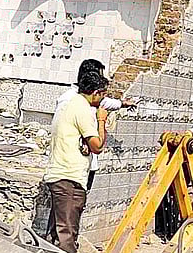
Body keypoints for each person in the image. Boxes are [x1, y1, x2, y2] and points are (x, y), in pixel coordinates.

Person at [43, 70, 109, 253]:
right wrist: (101, 122)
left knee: (58, 231)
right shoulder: (82, 109)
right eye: (102, 94)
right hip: (68, 178)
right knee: (67, 234)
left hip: (62, 175)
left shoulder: (71, 103)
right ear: (95, 92)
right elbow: (97, 146)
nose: (102, 99)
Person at [55, 58, 137, 191]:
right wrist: (101, 121)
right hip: (70, 166)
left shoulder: (92, 99)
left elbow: (107, 102)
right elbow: (63, 128)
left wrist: (123, 103)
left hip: (86, 163)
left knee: (79, 202)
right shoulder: (68, 99)